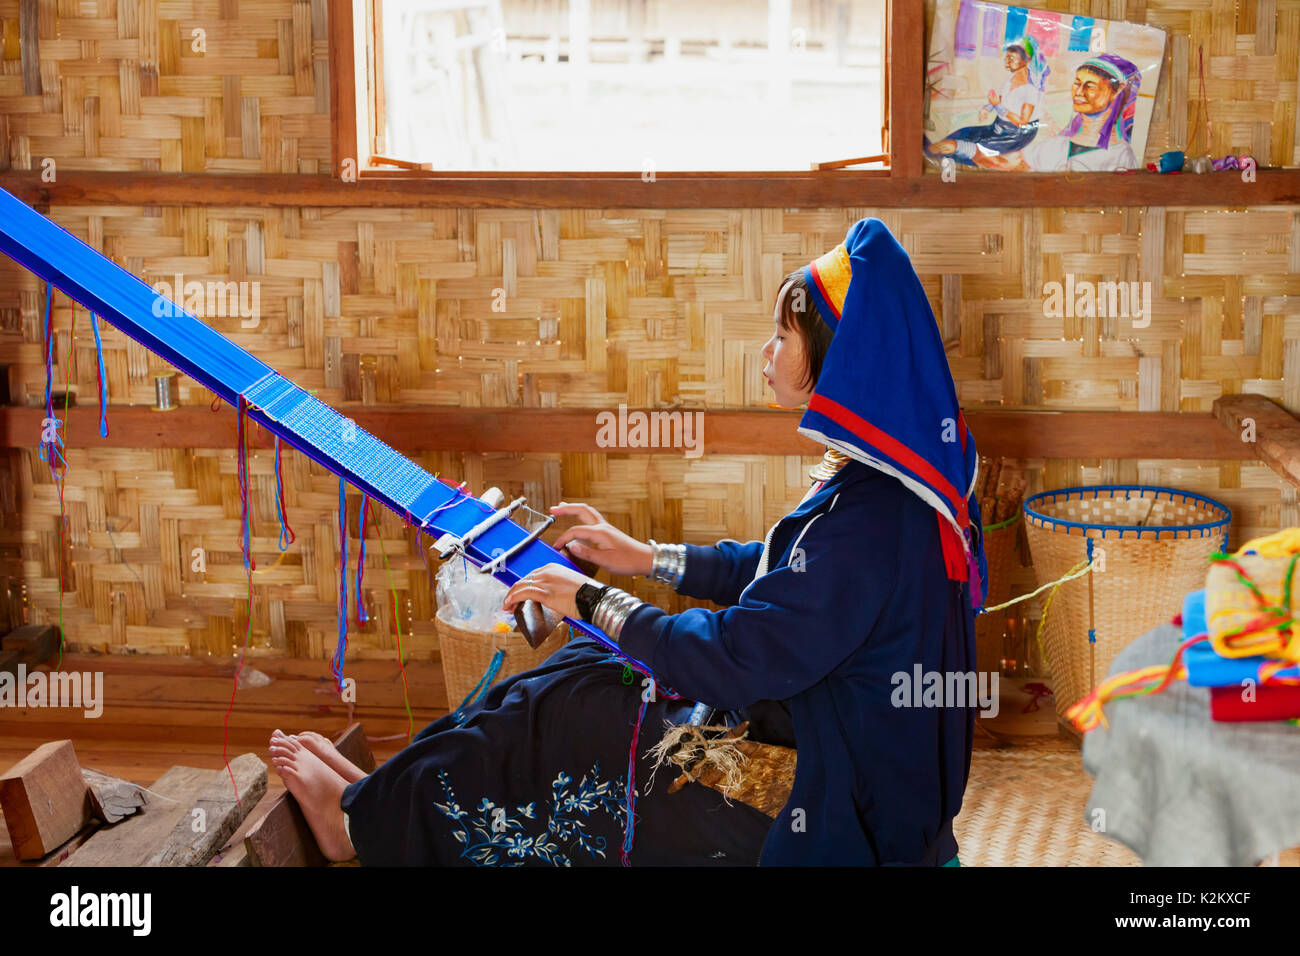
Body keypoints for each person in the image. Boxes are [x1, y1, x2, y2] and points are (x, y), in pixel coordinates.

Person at [269, 217, 987, 866]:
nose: (765, 350)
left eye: (783, 335)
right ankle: (385, 804)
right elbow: (781, 576)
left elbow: (740, 656)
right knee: (582, 667)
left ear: (835, 360)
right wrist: (644, 559)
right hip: (812, 725)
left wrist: (591, 597)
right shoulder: (890, 485)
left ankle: (357, 828)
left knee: (576, 710)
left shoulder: (872, 519)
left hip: (831, 795)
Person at [973, 53, 1142, 173]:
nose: (1079, 92)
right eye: (1077, 83)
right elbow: (1010, 163)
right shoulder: (1055, 146)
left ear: (1116, 92)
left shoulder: (1121, 157)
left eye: (1090, 86)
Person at [927, 37, 1048, 166]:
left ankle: (939, 154)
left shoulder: (1030, 88)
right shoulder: (1011, 79)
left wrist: (998, 106)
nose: (1006, 62)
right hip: (999, 126)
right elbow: (1001, 100)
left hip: (1016, 135)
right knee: (963, 133)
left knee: (966, 148)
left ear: (1027, 59)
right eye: (1006, 57)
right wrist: (988, 108)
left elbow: (1023, 121)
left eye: (1011, 58)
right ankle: (931, 153)